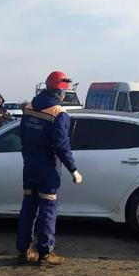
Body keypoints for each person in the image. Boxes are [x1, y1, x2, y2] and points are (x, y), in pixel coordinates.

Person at [16, 70, 83, 265]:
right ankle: (45, 252)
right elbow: (62, 146)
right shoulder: (58, 113)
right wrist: (73, 169)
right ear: (60, 92)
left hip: (29, 166)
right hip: (47, 169)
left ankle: (24, 249)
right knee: (47, 209)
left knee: (28, 207)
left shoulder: (29, 107)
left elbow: (23, 135)